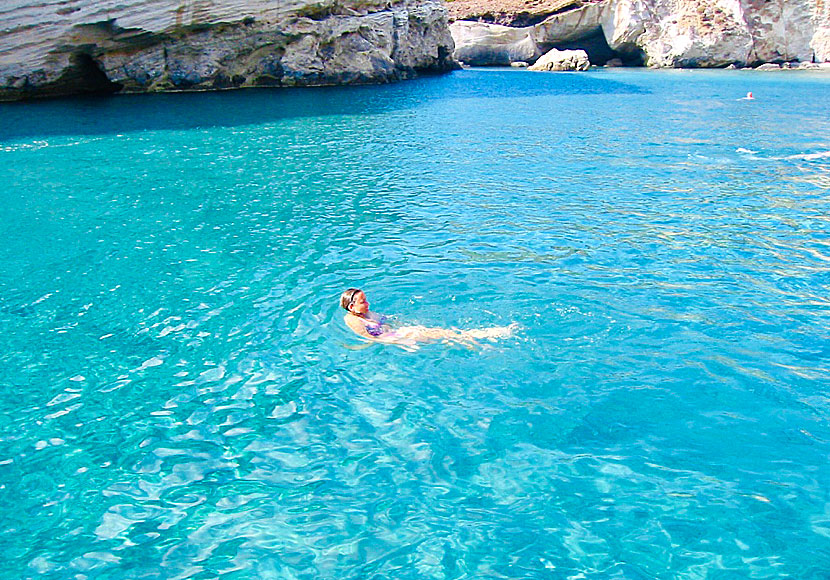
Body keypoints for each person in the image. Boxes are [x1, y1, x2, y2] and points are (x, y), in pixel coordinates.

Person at [339, 288, 517, 347]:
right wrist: (402, 342)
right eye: (363, 301)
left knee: (441, 334)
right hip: (398, 338)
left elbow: (387, 320)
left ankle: (479, 338)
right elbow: (371, 339)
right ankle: (483, 337)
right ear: (352, 306)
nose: (368, 303)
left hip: (399, 333)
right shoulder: (353, 320)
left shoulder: (365, 313)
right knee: (442, 334)